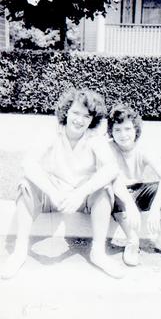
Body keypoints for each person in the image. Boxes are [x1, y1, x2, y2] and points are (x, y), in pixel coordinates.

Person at [1, 88, 124, 279]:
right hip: (53, 196)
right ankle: (20, 251)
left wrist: (81, 192)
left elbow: (111, 168)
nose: (79, 120)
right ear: (66, 111)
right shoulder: (51, 132)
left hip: (81, 199)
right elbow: (28, 163)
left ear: (92, 119)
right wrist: (52, 191)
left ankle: (98, 253)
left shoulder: (94, 138)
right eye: (75, 113)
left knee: (105, 188)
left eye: (86, 115)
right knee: (26, 184)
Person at [107, 103, 161, 266]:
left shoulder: (143, 148)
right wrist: (130, 205)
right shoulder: (108, 148)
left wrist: (155, 208)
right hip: (119, 192)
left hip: (139, 188)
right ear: (111, 132)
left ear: (136, 129)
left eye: (127, 129)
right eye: (117, 130)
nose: (123, 135)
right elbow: (114, 180)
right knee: (111, 191)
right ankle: (132, 241)